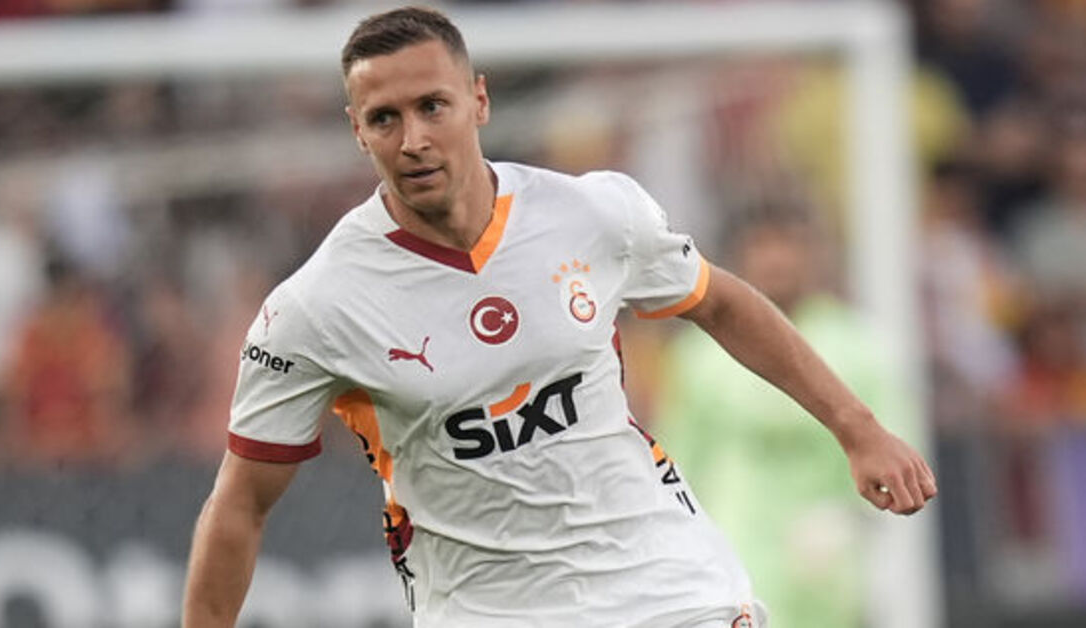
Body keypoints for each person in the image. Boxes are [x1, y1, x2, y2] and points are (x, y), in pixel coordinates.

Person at [181, 7, 937, 627]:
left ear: (478, 101)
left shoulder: (592, 212)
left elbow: (721, 301)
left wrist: (858, 430)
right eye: (385, 118)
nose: (413, 140)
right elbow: (241, 504)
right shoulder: (316, 308)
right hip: (487, 610)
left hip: (665, 586)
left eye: (432, 106)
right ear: (357, 130)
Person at [657, 203, 913, 628]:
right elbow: (679, 457)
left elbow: (893, 442)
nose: (776, 260)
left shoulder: (857, 345)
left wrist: (849, 518)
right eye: (762, 246)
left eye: (788, 245)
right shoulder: (699, 355)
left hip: (823, 556)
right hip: (733, 545)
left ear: (815, 256)